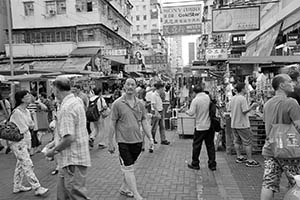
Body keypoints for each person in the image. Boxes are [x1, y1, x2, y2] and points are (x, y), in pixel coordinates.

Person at [45, 76, 91, 200]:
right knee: (63, 195)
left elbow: (69, 137)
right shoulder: (76, 101)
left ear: (56, 89)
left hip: (72, 158)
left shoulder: (67, 107)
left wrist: (53, 151)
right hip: (71, 158)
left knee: (76, 194)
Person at [108, 78, 154, 200]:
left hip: (138, 141)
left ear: (135, 87)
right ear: (124, 86)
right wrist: (110, 142)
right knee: (128, 167)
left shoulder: (140, 104)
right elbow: (112, 123)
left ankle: (124, 188)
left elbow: (144, 120)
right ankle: (136, 194)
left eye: (132, 84)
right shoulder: (117, 104)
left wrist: (150, 136)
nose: (130, 86)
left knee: (130, 166)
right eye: (127, 84)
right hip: (123, 141)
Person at [260, 74, 300, 200]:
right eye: (290, 81)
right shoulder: (291, 103)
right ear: (282, 85)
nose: (293, 84)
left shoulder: (267, 104)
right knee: (297, 182)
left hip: (270, 149)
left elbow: (267, 127)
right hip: (289, 151)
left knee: (268, 183)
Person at [9, 90, 48, 196]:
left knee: (21, 165)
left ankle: (17, 186)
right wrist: (29, 125)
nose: (30, 97)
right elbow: (25, 127)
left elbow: (31, 125)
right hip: (18, 142)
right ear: (21, 99)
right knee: (27, 164)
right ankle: (37, 187)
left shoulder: (26, 111)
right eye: (27, 96)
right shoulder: (17, 112)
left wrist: (30, 124)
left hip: (25, 141)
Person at [184, 84, 217, 171]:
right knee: (210, 145)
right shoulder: (208, 97)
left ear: (194, 92)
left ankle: (195, 163)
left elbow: (191, 113)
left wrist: (186, 111)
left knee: (197, 146)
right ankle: (212, 164)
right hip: (210, 126)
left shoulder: (196, 100)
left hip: (200, 127)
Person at [229, 82, 260, 167]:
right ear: (242, 89)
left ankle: (239, 157)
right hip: (242, 124)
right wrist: (252, 106)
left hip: (234, 123)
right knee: (247, 142)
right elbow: (245, 111)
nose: (247, 89)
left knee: (237, 141)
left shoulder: (233, 98)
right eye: (246, 88)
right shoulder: (242, 99)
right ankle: (249, 160)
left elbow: (230, 109)